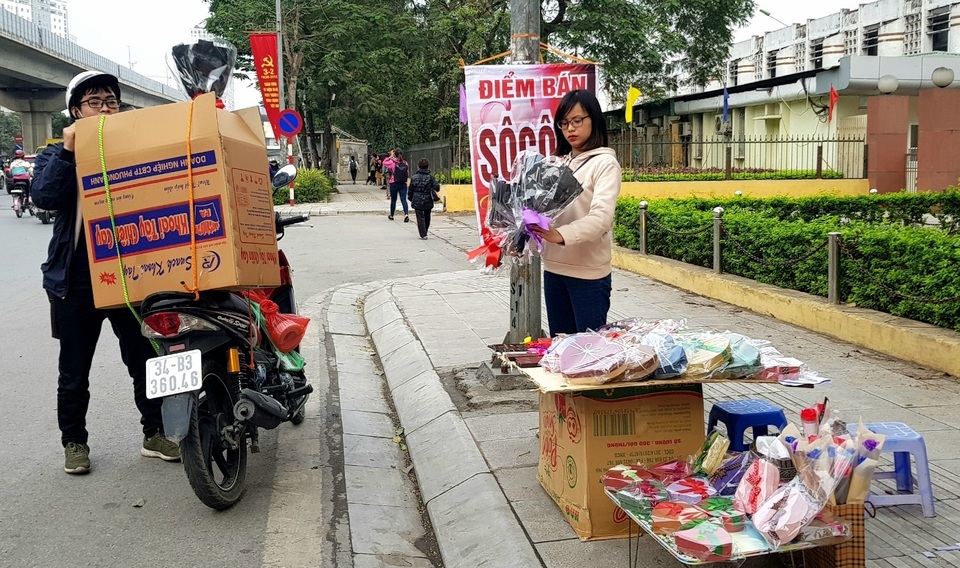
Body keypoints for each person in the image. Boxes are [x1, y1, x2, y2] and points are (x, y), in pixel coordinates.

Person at [32, 70, 181, 475]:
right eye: (94, 102)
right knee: (74, 368)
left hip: (130, 277)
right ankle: (74, 443)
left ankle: (156, 433)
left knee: (144, 358)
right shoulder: (53, 154)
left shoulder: (132, 150)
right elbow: (45, 196)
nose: (104, 109)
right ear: (75, 111)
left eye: (111, 102)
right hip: (75, 280)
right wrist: (67, 150)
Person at [529, 89, 622, 336]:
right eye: (565, 123)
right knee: (561, 346)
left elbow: (601, 218)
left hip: (588, 274)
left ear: (594, 120)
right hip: (554, 269)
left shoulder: (605, 164)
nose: (570, 129)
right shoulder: (557, 163)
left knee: (588, 351)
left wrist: (559, 234)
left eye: (578, 120)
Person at [408, 158, 440, 239]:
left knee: (420, 217)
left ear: (418, 166)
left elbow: (410, 189)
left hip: (417, 198)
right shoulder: (431, 177)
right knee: (427, 216)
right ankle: (425, 230)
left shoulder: (414, 177)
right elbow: (437, 187)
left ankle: (423, 234)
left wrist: (410, 197)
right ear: (427, 166)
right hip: (427, 198)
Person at [386, 150, 410, 222]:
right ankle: (406, 214)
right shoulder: (405, 163)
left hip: (394, 183)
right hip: (403, 183)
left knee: (393, 200)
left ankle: (392, 215)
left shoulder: (392, 163)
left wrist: (390, 156)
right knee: (403, 199)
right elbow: (407, 173)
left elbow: (384, 162)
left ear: (395, 154)